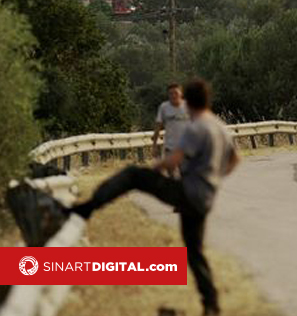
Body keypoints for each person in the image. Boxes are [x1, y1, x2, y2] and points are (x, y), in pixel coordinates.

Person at [71, 79, 239, 316]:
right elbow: (235, 160)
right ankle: (211, 304)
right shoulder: (219, 126)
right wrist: (214, 179)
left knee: (132, 175)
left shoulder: (197, 127)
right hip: (205, 199)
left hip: (188, 193)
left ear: (188, 102)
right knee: (194, 251)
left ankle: (87, 208)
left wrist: (151, 170)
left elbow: (173, 160)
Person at [152, 83, 190, 158]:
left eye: (176, 93)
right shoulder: (164, 107)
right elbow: (158, 126)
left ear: (181, 93)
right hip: (170, 148)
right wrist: (154, 146)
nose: (173, 96)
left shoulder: (188, 106)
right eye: (171, 93)